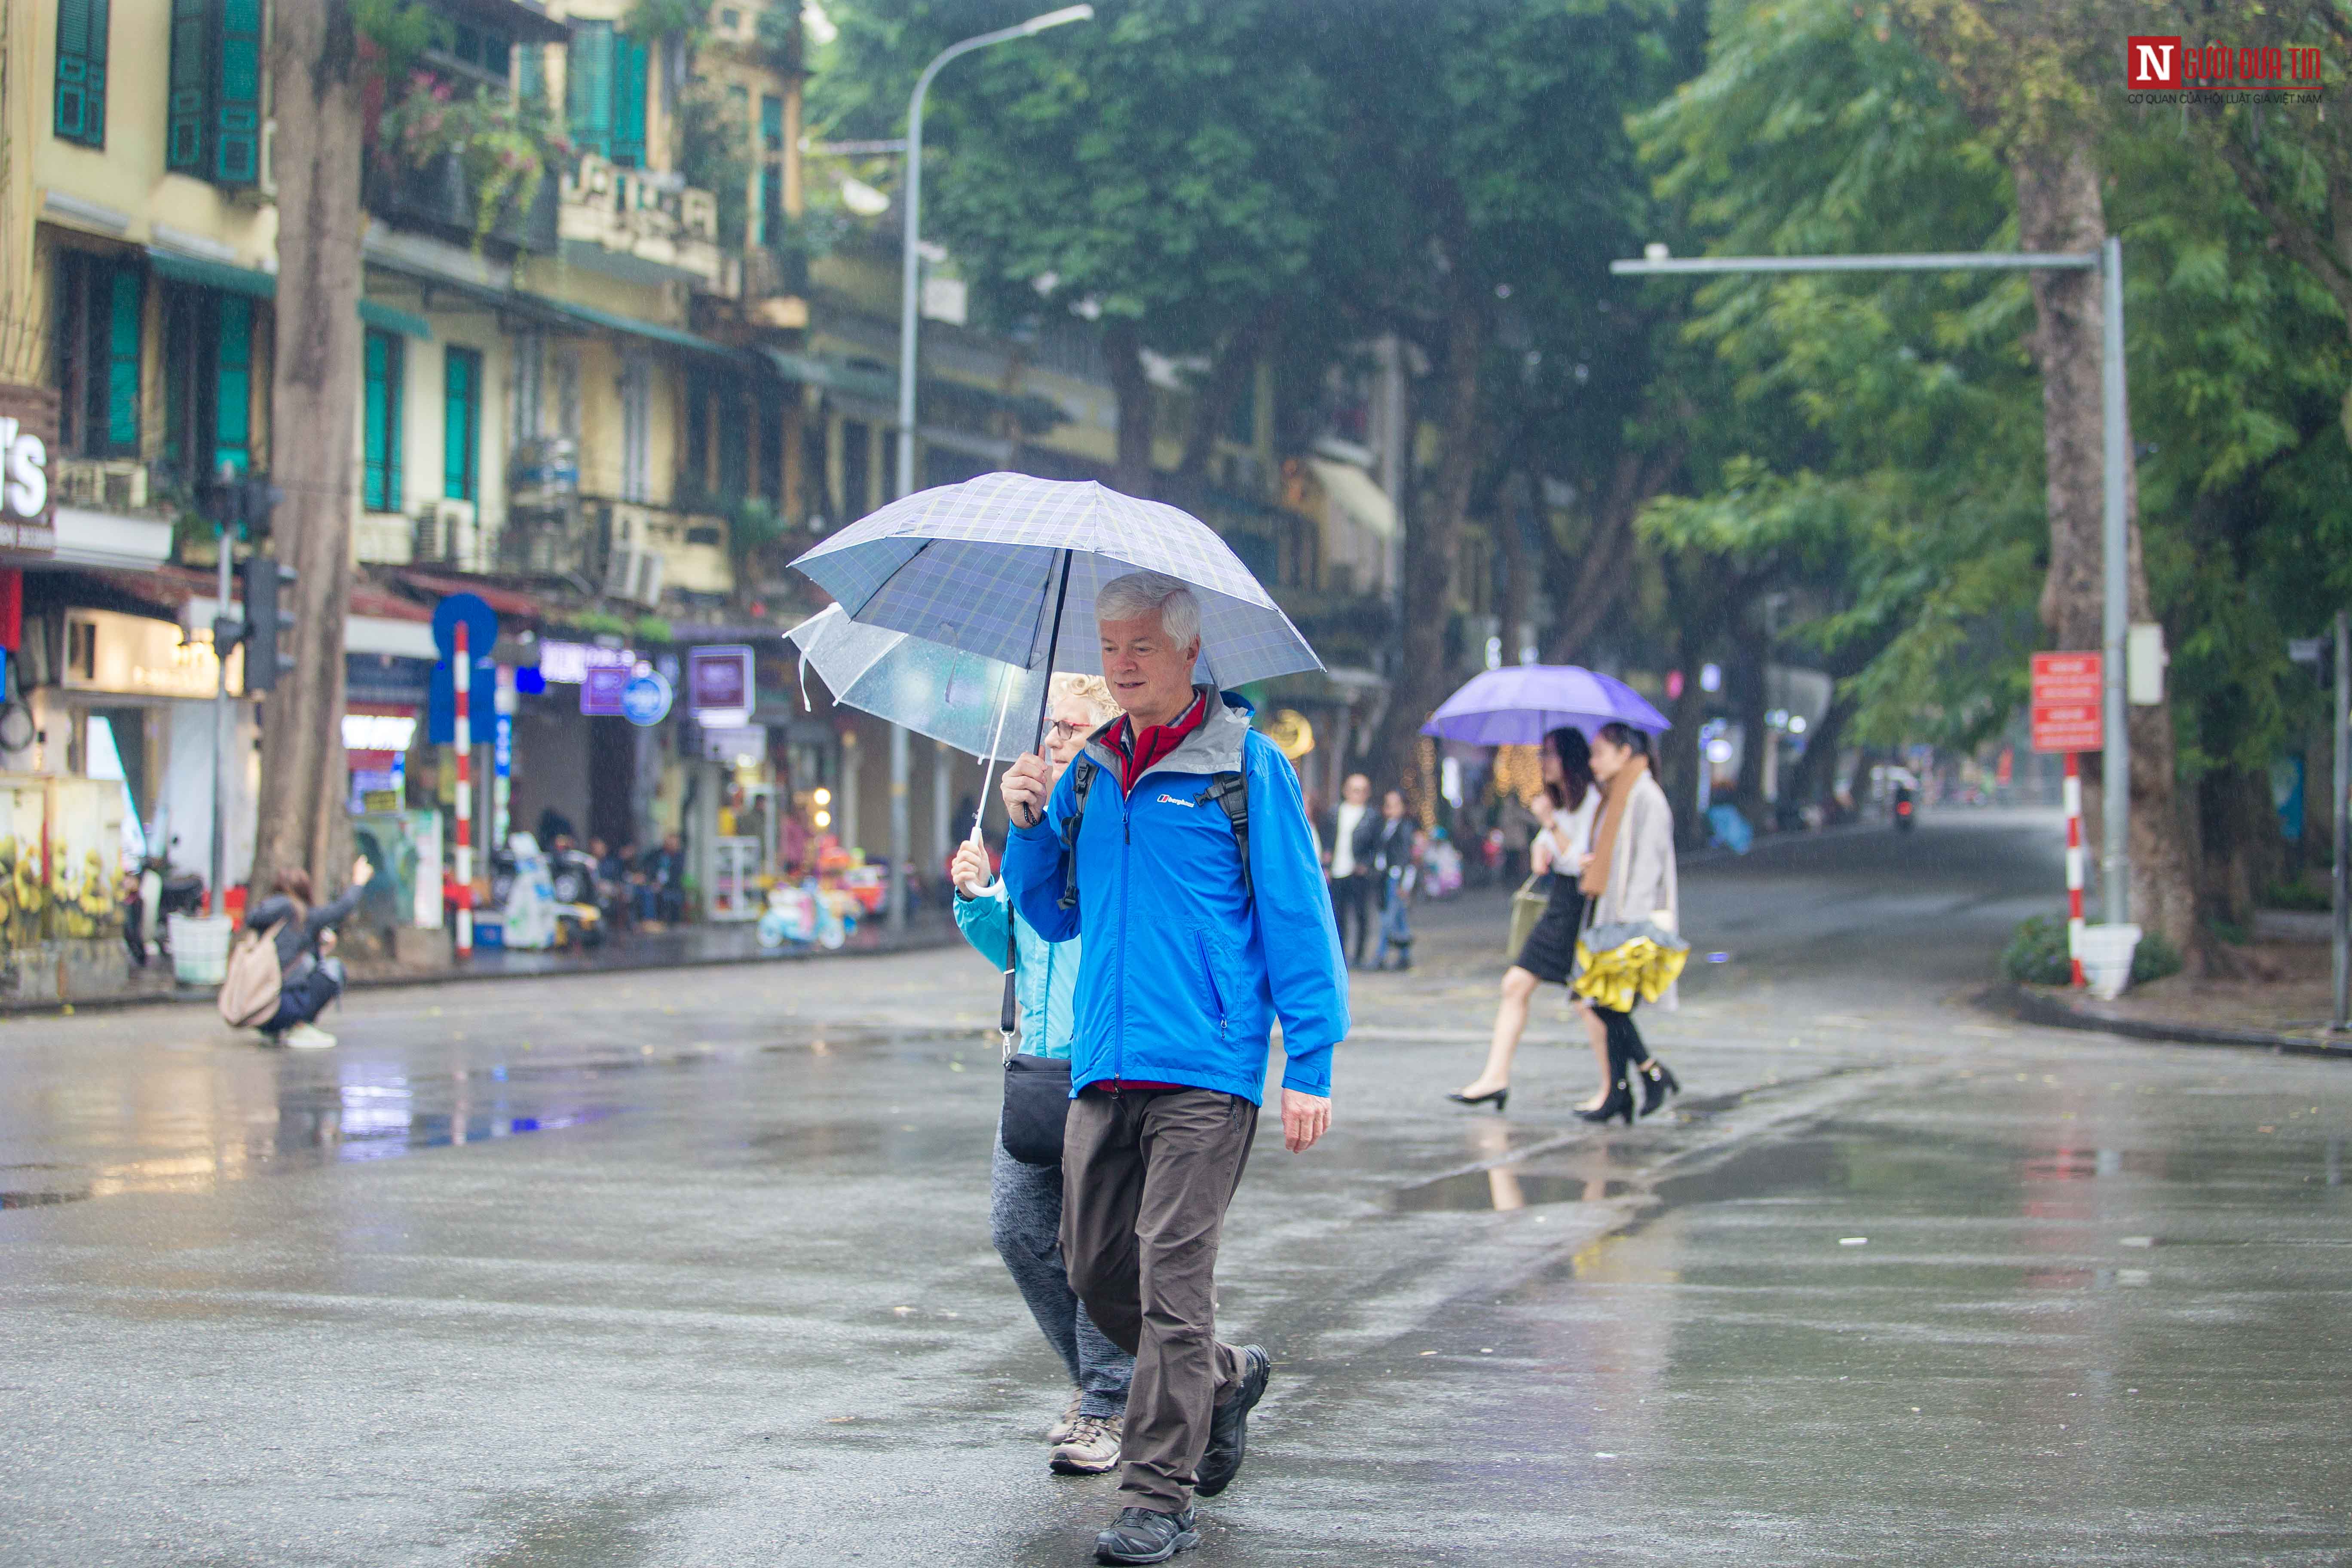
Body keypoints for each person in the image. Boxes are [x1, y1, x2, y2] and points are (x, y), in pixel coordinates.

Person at [1000, 570, 1348, 1568]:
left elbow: (1295, 919)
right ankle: (1223, 1377)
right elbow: (1053, 911)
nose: (1119, 669)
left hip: (1206, 1063)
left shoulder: (1245, 767)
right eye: (1108, 651)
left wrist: (1309, 1062)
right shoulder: (1087, 768)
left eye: (1139, 650)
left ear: (1190, 654)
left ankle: (1157, 1494)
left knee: (1169, 1273)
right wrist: (1026, 826)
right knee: (1091, 1265)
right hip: (1102, 1063)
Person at [951, 673, 1134, 1478]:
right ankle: (1109, 1384)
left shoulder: (1116, 822)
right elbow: (1017, 951)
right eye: (1051, 725)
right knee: (1018, 1229)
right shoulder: (1029, 828)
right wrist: (976, 896)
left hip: (1106, 1068)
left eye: (1074, 725)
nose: (1057, 738)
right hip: (1033, 1065)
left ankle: (1107, 1403)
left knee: (1097, 1245)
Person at [1449, 727, 1608, 1114]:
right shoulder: (1562, 802)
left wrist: (1549, 824)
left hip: (1582, 906)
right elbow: (1556, 850)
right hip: (1559, 903)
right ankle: (1495, 1078)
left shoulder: (1593, 802)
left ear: (1570, 759)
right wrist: (1543, 840)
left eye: (1550, 754)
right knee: (1516, 985)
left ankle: (1619, 1082)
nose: (1542, 761)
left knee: (1588, 1002)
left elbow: (1586, 862)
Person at [1577, 722, 1682, 1123]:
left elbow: (1647, 867)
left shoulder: (1646, 796)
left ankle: (1649, 1074)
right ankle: (1624, 1089)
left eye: (1599, 752)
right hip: (1613, 917)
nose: (1593, 762)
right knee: (1607, 1004)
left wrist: (1629, 928)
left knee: (1608, 1006)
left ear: (1624, 753)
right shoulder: (1618, 796)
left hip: (1631, 922)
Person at [243, 856, 374, 1048]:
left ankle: (275, 1030)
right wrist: (359, 881)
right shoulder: (300, 915)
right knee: (333, 968)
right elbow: (342, 909)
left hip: (257, 1010)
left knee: (306, 964)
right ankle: (300, 1025)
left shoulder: (264, 919)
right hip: (284, 1008)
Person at [1320, 772, 1377, 967]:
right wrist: (1326, 864)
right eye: (1354, 790)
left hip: (1358, 873)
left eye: (1362, 791)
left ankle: (1360, 955)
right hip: (1337, 872)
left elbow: (1376, 846)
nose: (1357, 794)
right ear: (1346, 790)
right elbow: (1327, 840)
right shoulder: (1335, 813)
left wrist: (1367, 865)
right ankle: (1341, 955)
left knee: (1361, 914)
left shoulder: (1371, 817)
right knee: (1338, 916)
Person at [1369, 789, 1417, 970]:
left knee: (1388, 920)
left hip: (1396, 878)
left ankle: (1380, 956)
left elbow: (1407, 857)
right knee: (1399, 919)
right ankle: (1405, 956)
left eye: (1395, 805)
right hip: (1385, 877)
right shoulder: (1385, 826)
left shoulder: (1404, 828)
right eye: (1388, 805)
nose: (1391, 809)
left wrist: (1405, 883)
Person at [637, 832, 685, 925]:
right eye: (669, 843)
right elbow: (646, 865)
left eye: (674, 844)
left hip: (671, 887)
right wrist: (645, 877)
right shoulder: (657, 854)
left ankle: (656, 921)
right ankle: (649, 921)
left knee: (664, 894)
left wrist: (663, 885)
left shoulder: (679, 858)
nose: (671, 845)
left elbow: (676, 877)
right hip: (653, 882)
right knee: (647, 892)